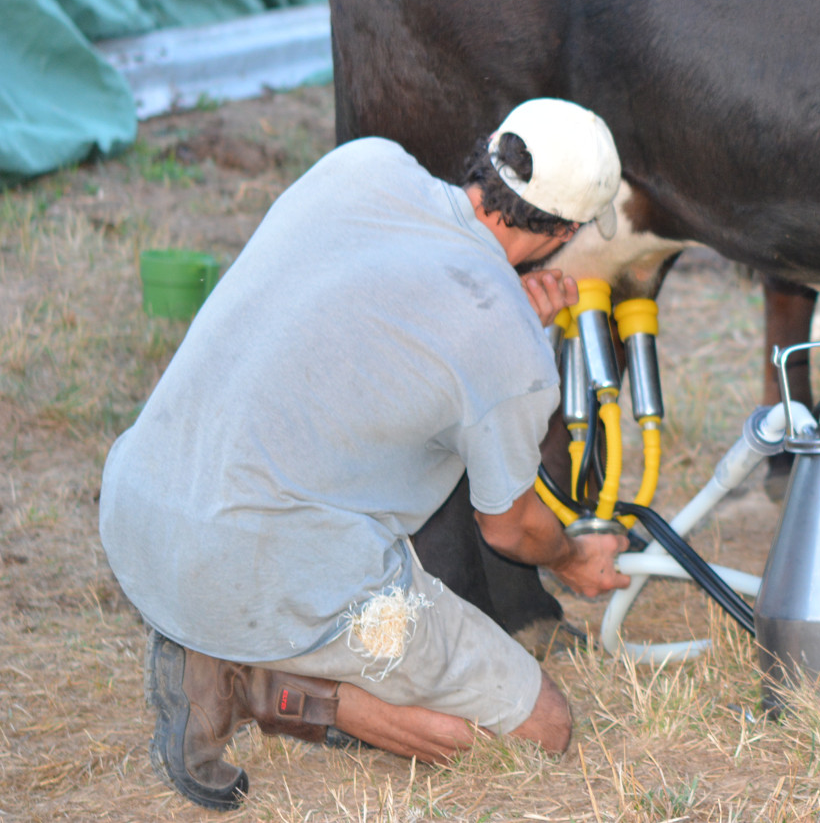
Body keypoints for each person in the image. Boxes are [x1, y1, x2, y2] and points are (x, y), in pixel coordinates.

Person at [99, 98, 634, 810]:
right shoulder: (507, 344)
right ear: (565, 230)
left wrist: (503, 313)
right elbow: (509, 527)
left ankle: (224, 634)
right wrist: (572, 560)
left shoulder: (363, 164)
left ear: (491, 153)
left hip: (141, 509)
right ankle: (261, 684)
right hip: (249, 564)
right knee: (544, 731)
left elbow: (378, 309)